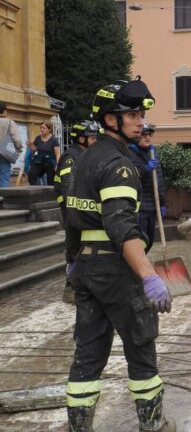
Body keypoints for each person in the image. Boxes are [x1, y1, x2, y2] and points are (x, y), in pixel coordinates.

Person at [64, 78, 175, 432]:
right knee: (141, 346)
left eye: (141, 113)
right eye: (133, 114)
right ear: (110, 119)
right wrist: (148, 276)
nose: (140, 121)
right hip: (117, 269)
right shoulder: (119, 165)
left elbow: (71, 215)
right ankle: (153, 427)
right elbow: (121, 225)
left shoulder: (83, 159)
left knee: (88, 353)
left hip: (86, 268)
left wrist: (71, 262)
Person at [55, 120, 99, 305]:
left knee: (82, 247)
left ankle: (82, 285)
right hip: (72, 211)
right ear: (81, 138)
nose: (95, 141)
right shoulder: (71, 157)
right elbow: (67, 187)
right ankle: (70, 287)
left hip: (81, 210)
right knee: (74, 248)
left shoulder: (84, 155)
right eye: (92, 137)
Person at [129, 124, 165, 252]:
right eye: (144, 135)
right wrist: (145, 169)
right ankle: (137, 268)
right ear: (137, 137)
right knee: (141, 241)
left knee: (149, 241)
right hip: (140, 207)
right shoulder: (130, 153)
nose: (148, 138)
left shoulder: (153, 152)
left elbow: (159, 180)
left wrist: (162, 203)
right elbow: (131, 177)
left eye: (150, 135)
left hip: (153, 206)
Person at [27, 120, 61, 185]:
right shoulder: (38, 138)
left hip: (50, 162)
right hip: (39, 161)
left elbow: (58, 154)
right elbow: (34, 149)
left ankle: (50, 193)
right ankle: (35, 190)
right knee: (31, 174)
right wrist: (30, 144)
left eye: (44, 128)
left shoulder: (54, 140)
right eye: (41, 128)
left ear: (49, 129)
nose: (41, 129)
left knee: (51, 181)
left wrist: (57, 165)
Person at [0, 103, 23, 187]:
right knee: (4, 177)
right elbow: (17, 139)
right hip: (4, 154)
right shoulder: (10, 123)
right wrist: (19, 150)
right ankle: (3, 198)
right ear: (5, 111)